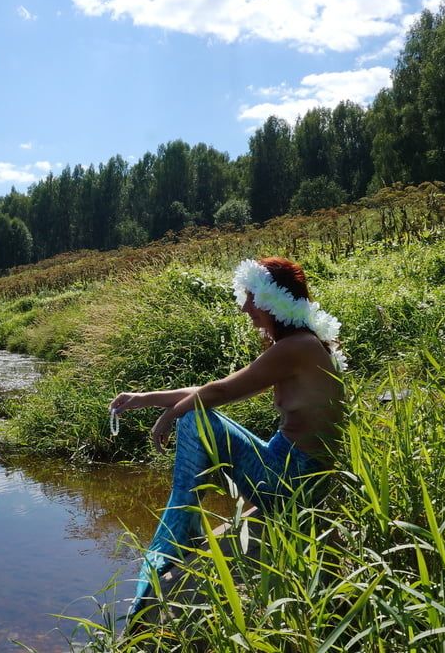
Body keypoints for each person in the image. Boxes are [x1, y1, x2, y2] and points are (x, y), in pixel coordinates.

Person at [109, 257, 346, 618]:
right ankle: (188, 525)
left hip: (291, 482)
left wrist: (171, 416)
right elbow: (215, 389)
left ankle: (182, 531)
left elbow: (219, 393)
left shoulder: (297, 348)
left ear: (272, 300)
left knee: (193, 419)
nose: (246, 307)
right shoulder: (301, 345)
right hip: (286, 467)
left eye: (251, 297)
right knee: (198, 413)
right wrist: (145, 399)